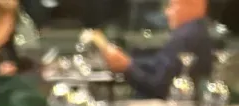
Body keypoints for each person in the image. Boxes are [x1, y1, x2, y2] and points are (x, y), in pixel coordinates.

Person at [83, 0, 213, 98]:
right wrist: (128, 62)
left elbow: (158, 87)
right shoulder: (196, 32)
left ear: (192, 5)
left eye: (172, 5)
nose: (167, 12)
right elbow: (158, 67)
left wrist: (126, 67)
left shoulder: (185, 36)